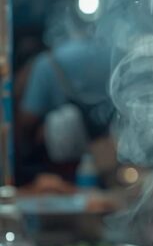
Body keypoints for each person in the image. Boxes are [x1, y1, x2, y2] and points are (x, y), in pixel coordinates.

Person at [19, 33, 113, 181]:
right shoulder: (111, 54)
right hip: (108, 151)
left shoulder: (44, 64)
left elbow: (28, 118)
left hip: (62, 165)